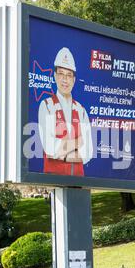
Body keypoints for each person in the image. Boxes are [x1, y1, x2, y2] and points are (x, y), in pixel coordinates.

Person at [38, 47, 93, 176]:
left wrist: (61, 151)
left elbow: (88, 152)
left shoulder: (81, 110)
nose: (65, 79)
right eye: (61, 74)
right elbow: (50, 147)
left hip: (78, 183)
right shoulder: (47, 106)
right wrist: (77, 142)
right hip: (54, 182)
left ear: (74, 80)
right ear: (55, 76)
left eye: (69, 75)